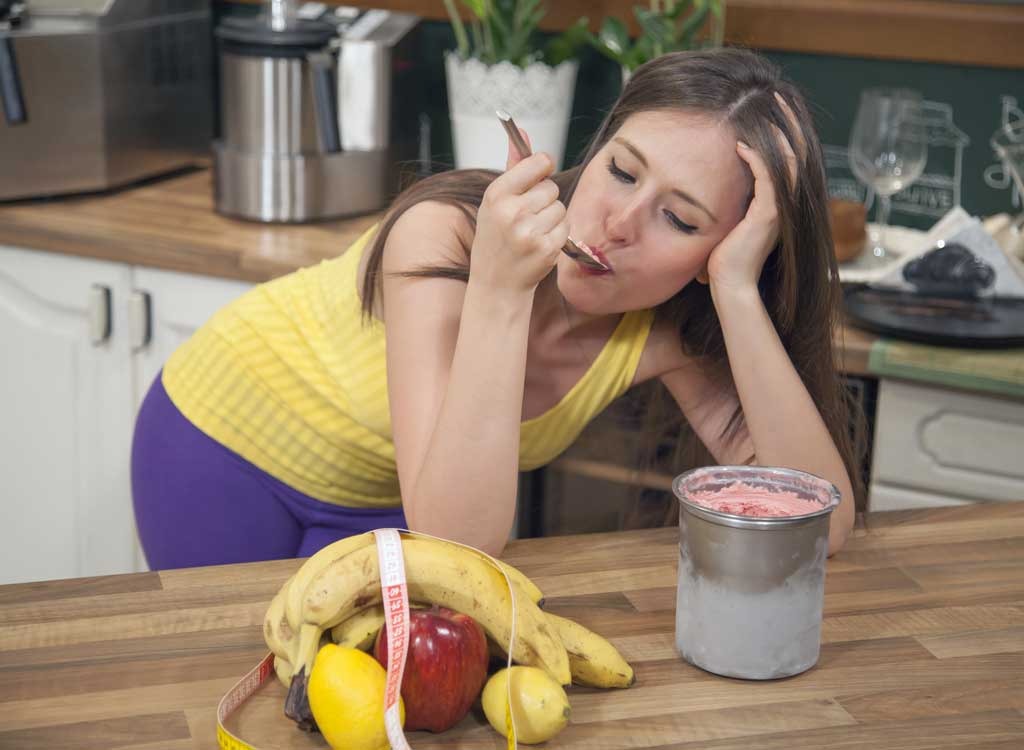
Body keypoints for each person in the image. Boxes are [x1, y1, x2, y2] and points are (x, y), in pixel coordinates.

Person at [131, 47, 861, 569]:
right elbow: (456, 535)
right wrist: (501, 288)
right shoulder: (448, 228)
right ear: (598, 144)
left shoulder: (666, 329)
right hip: (221, 444)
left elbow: (817, 524)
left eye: (682, 219)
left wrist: (736, 291)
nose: (616, 223)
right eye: (622, 170)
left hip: (403, 504)